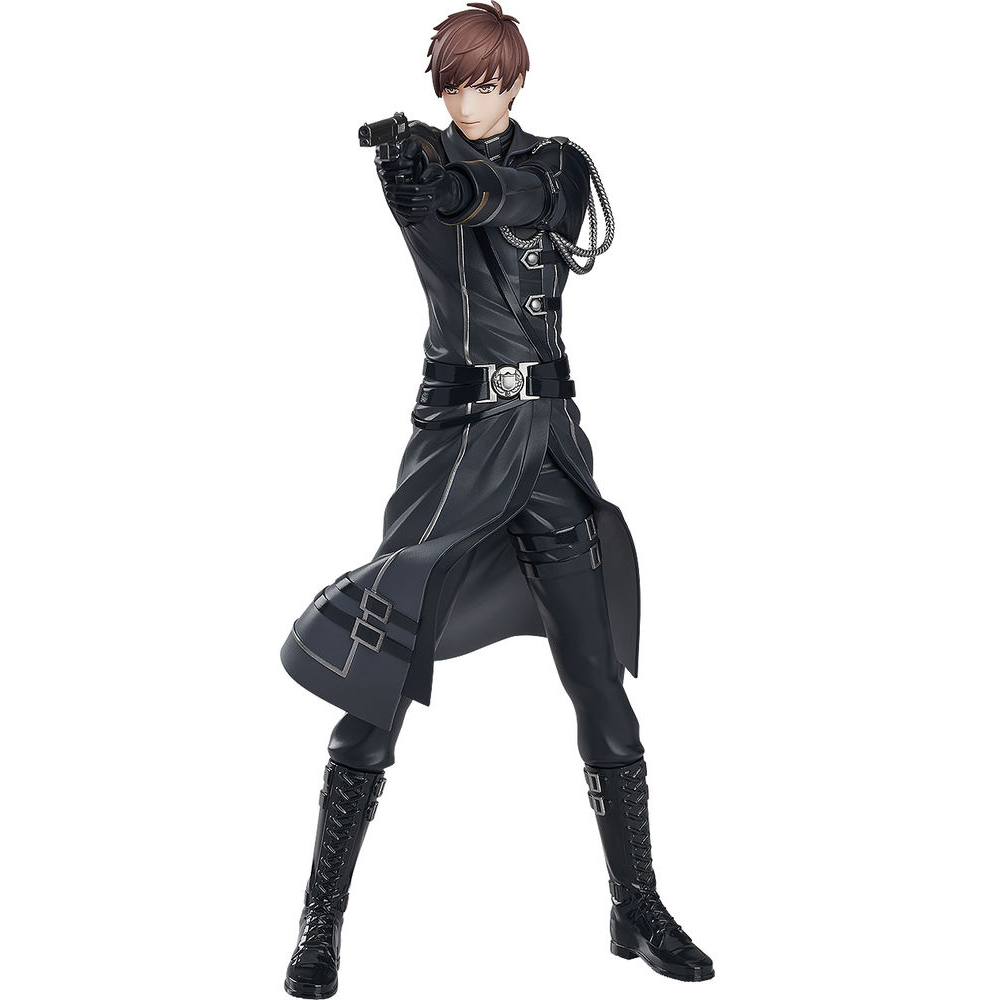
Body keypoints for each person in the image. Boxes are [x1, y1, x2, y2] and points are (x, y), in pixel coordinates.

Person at [281, 3, 714, 995]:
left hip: (549, 450)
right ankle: (318, 922)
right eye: (453, 84)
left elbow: (529, 200)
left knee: (598, 679)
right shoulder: (416, 165)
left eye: (485, 82)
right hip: (456, 450)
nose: (467, 100)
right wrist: (423, 177)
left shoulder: (558, 166)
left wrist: (464, 183)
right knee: (376, 680)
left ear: (516, 81)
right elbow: (432, 205)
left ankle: (637, 903)